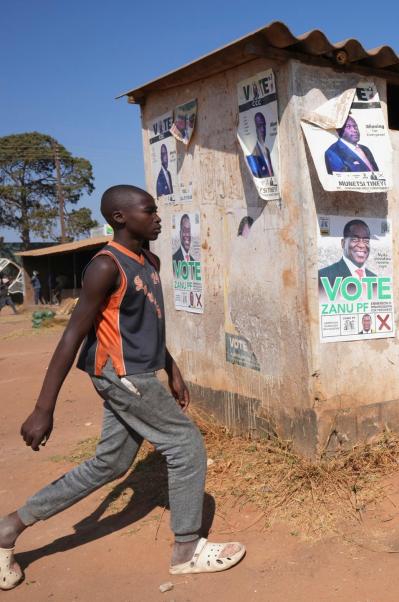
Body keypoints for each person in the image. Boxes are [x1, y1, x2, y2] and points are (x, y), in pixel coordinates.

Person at [0, 185, 245, 592]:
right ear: (120, 217)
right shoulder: (104, 266)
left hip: (141, 372)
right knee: (186, 446)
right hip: (123, 375)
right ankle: (187, 550)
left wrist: (172, 367)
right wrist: (44, 408)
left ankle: (10, 527)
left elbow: (146, 324)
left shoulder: (150, 260)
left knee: (110, 464)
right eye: (149, 211)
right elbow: (72, 336)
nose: (158, 217)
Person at [318, 219, 377, 285]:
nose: (362, 245)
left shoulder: (375, 279)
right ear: (343, 243)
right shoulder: (323, 276)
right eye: (355, 240)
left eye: (366, 241)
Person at [245, 112, 275, 178]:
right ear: (255, 128)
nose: (263, 129)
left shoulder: (269, 149)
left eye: (264, 125)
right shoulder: (252, 153)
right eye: (259, 126)